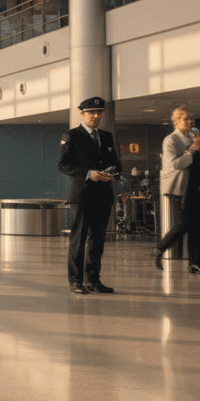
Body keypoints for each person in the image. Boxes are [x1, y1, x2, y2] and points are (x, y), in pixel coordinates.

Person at [57, 96, 122, 294]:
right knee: (79, 239)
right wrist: (88, 173)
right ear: (82, 114)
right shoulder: (72, 136)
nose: (95, 116)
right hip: (82, 195)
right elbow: (63, 165)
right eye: (91, 113)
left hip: (103, 195)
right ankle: (75, 281)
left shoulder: (107, 136)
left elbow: (116, 163)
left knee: (97, 241)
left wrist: (114, 171)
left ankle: (93, 279)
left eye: (99, 112)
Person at [156, 106, 200, 274]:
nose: (190, 122)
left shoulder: (193, 137)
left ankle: (195, 263)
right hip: (178, 188)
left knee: (197, 226)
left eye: (192, 119)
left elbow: (199, 160)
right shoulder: (171, 140)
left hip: (195, 187)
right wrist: (192, 150)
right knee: (183, 223)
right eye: (186, 119)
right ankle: (160, 248)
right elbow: (174, 164)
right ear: (176, 121)